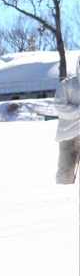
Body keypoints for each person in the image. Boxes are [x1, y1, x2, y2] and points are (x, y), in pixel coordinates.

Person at [52, 55, 80, 184]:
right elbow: (59, 107)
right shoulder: (67, 85)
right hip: (69, 136)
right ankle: (62, 198)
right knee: (65, 173)